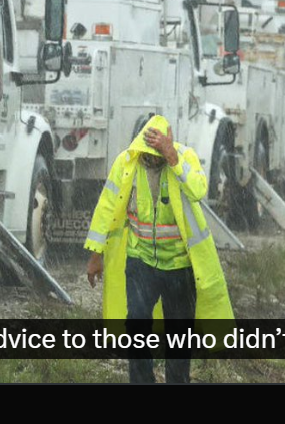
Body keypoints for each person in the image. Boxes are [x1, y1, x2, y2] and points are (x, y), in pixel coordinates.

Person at [84, 115, 233, 383]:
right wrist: (96, 255)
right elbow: (106, 207)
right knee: (137, 328)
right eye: (148, 154)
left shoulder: (183, 157)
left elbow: (198, 190)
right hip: (141, 262)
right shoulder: (127, 163)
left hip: (180, 267)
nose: (152, 160)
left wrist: (172, 157)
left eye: (157, 154)